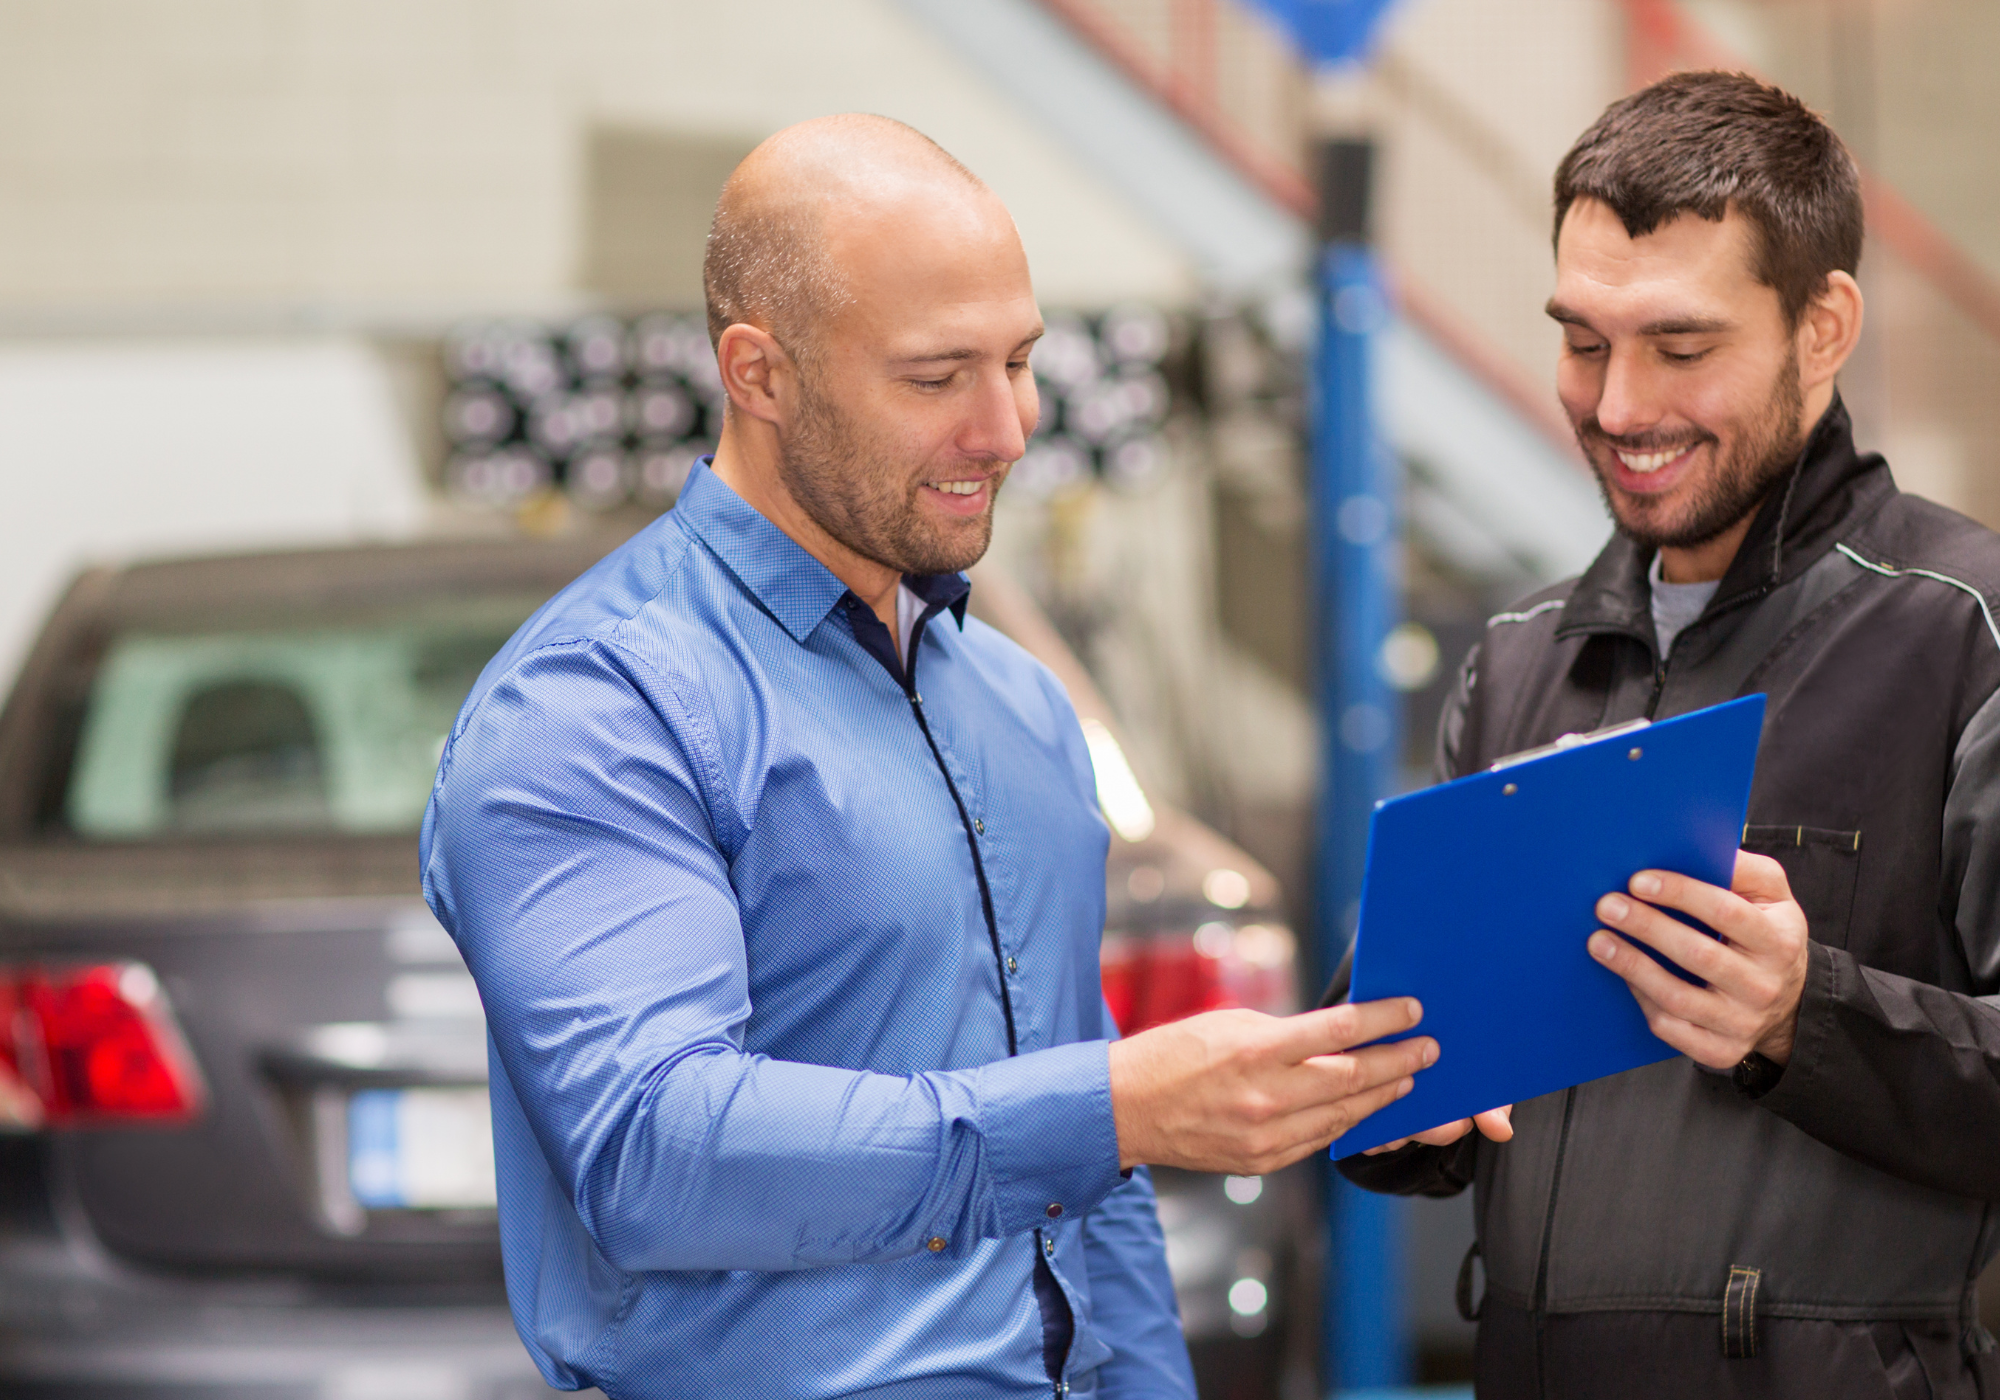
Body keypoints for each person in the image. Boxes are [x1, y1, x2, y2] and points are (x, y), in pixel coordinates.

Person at [423, 114, 1441, 1400]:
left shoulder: (1015, 704)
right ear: (760, 372)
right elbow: (654, 1152)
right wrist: (1107, 1105)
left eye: (1017, 360)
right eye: (934, 374)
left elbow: (1091, 1198)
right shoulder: (599, 704)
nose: (1006, 427)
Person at [1342, 71, 2000, 1398]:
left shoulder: (1963, 637)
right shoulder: (1521, 660)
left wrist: (1797, 1014)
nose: (1620, 405)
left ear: (1826, 327)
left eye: (1681, 348)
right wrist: (1388, 1093)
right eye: (1583, 343)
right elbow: (1435, 1088)